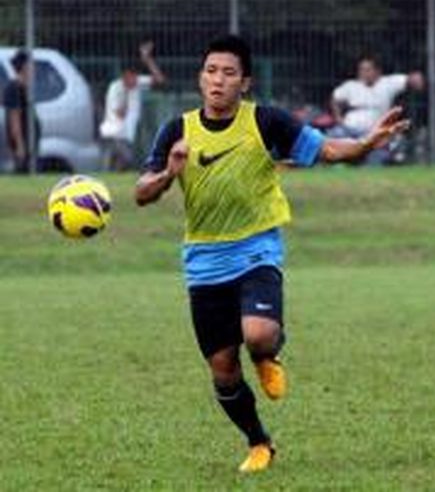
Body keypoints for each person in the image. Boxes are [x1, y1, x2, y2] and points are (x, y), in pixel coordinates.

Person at [133, 35, 408, 473]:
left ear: (245, 82)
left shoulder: (266, 122)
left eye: (228, 72)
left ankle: (267, 352)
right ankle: (259, 442)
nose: (217, 80)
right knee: (223, 370)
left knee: (258, 334)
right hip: (204, 261)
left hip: (256, 249)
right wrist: (169, 172)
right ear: (200, 78)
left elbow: (327, 150)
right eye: (210, 71)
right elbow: (141, 193)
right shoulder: (177, 131)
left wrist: (368, 143)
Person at [329, 54, 423, 165]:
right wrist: (338, 118)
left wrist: (417, 79)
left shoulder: (387, 83)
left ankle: (370, 169)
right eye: (362, 70)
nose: (364, 73)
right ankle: (339, 165)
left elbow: (410, 79)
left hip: (375, 132)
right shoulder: (351, 85)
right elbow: (334, 99)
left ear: (377, 71)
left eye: (368, 69)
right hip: (350, 130)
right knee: (333, 136)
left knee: (385, 146)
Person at [100, 41, 166, 170]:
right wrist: (126, 93)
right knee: (126, 160)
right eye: (132, 77)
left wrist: (147, 60)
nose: (135, 81)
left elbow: (160, 80)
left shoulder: (136, 83)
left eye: (136, 77)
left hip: (127, 135)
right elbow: (119, 113)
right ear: (125, 76)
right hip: (114, 133)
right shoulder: (115, 88)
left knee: (123, 164)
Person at [3, 49, 40, 174]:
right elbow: (15, 118)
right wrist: (20, 145)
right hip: (23, 143)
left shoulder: (25, 88)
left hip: (30, 142)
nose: (33, 68)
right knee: (22, 172)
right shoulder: (14, 88)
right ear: (24, 66)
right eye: (31, 64)